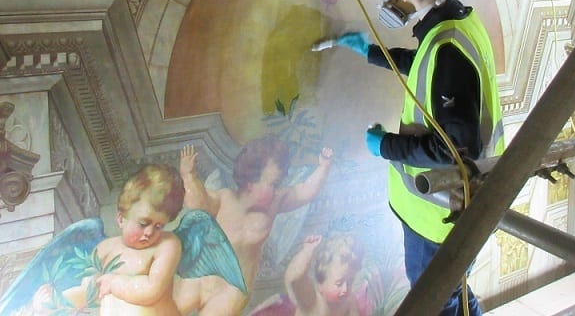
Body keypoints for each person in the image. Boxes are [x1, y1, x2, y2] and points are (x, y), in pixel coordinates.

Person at [335, 0, 504, 316]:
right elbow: (429, 67)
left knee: (435, 300)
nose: (385, 1)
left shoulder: (447, 46)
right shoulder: (457, 20)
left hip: (442, 214)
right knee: (454, 291)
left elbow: (457, 148)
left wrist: (386, 146)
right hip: (458, 203)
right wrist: (370, 52)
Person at [177, 135, 334, 315]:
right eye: (273, 184)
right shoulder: (224, 199)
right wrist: (188, 176)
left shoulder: (275, 202)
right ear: (251, 182)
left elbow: (305, 191)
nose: (276, 190)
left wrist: (324, 167)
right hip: (200, 278)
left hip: (233, 289)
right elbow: (196, 203)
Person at [29, 163, 186, 316]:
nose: (150, 232)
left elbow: (152, 289)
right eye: (143, 223)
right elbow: (87, 293)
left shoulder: (167, 245)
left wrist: (113, 283)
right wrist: (51, 305)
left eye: (159, 226)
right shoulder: (105, 249)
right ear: (121, 219)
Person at [284, 234, 364, 316]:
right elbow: (293, 278)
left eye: (350, 282)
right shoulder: (311, 299)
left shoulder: (349, 300)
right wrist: (307, 251)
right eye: (339, 284)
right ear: (321, 283)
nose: (345, 289)